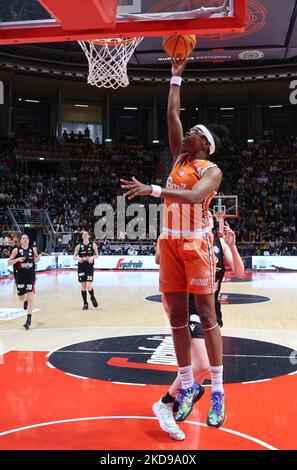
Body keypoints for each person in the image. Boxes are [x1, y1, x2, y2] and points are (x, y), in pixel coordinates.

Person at [121, 58, 228, 428]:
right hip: (169, 243)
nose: (185, 135)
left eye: (193, 132)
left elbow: (197, 197)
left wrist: (152, 189)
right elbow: (172, 115)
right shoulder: (180, 156)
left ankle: (217, 391)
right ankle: (185, 385)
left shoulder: (210, 171)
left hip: (196, 246)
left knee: (209, 316)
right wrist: (175, 75)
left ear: (206, 143)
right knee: (177, 319)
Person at [153, 218, 244, 440]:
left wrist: (231, 245)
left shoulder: (220, 244)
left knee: (201, 371)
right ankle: (164, 404)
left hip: (211, 309)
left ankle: (173, 411)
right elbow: (159, 259)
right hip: (190, 306)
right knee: (202, 364)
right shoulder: (182, 239)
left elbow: (239, 272)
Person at [8, 234, 40, 330]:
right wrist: (17, 259)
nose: (25, 240)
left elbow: (38, 259)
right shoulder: (16, 250)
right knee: (21, 298)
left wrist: (36, 259)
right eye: (23, 238)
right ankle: (24, 300)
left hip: (30, 275)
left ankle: (28, 320)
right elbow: (8, 262)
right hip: (20, 276)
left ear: (28, 240)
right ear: (20, 241)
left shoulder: (32, 250)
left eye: (26, 238)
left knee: (31, 296)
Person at [73, 230, 99, 310]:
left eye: (86, 234)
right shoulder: (78, 246)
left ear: (89, 236)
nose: (84, 236)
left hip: (89, 266)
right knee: (83, 286)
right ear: (82, 237)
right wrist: (78, 258)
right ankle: (85, 303)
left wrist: (92, 257)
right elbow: (74, 257)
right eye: (83, 235)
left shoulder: (93, 245)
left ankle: (92, 297)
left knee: (89, 285)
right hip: (81, 267)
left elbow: (97, 255)